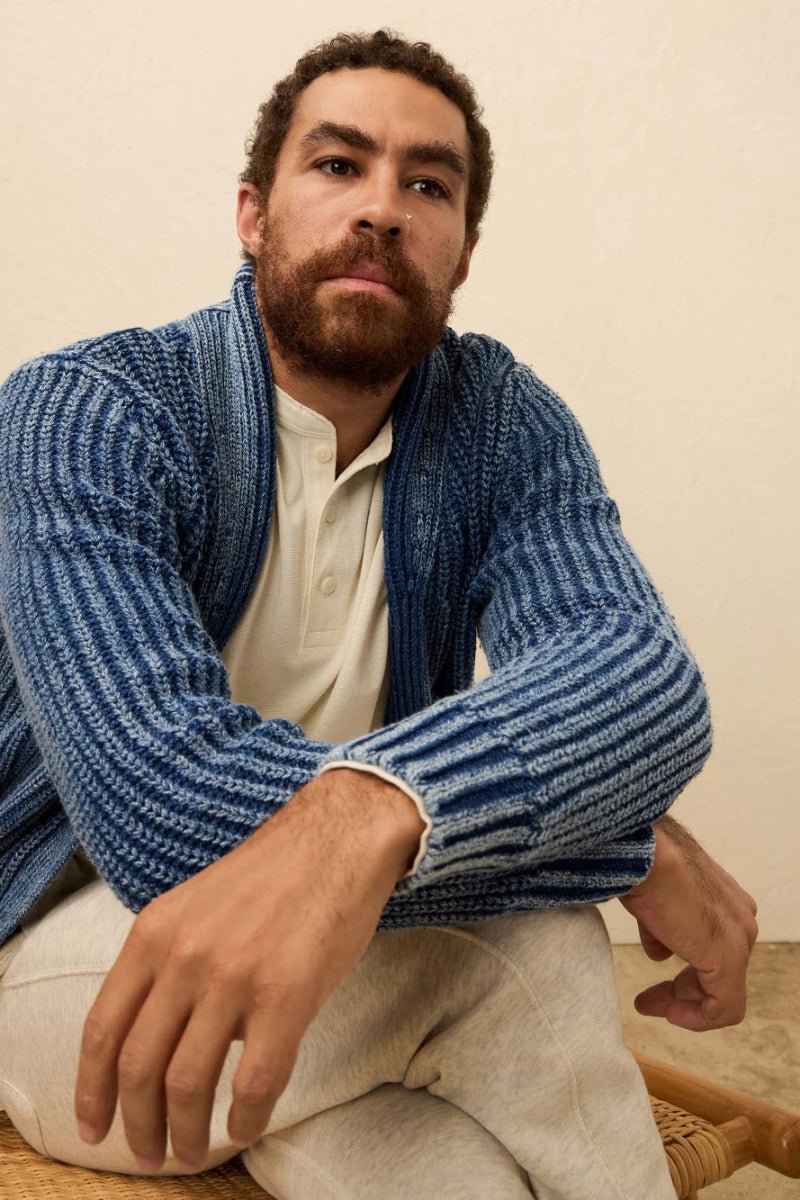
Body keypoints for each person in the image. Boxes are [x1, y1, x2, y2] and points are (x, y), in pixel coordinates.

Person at [0, 28, 757, 1200]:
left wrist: (375, 814)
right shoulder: (87, 410)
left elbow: (633, 675)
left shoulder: (501, 420)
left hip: (349, 967)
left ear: (461, 251)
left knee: (432, 1156)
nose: (380, 209)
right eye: (337, 165)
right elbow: (160, 808)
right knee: (532, 950)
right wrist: (621, 840)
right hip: (73, 964)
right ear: (253, 213)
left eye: (426, 184)